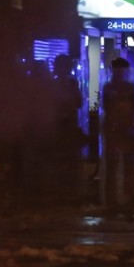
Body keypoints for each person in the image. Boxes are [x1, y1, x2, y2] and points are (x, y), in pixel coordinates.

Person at [102, 57, 134, 207]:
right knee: (114, 163)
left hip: (124, 126)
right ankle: (113, 196)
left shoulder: (125, 87)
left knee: (126, 163)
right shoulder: (110, 87)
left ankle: (125, 195)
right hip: (115, 126)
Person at [47, 54, 85, 202]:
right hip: (65, 124)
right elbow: (79, 103)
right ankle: (68, 189)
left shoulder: (62, 83)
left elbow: (77, 102)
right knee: (67, 158)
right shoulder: (69, 83)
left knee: (64, 158)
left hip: (65, 125)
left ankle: (65, 189)